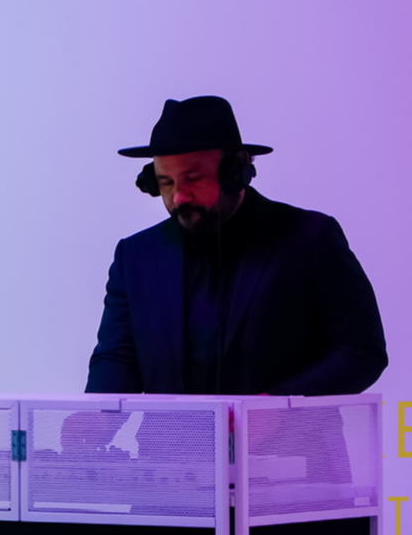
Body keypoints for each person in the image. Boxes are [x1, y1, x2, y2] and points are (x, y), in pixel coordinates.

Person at [87, 96, 385, 395]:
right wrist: (93, 416)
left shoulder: (311, 238)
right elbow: (116, 359)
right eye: (166, 182)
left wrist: (273, 406)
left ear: (236, 171)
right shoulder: (134, 257)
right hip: (173, 430)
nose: (179, 197)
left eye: (193, 178)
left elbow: (362, 350)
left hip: (284, 427)